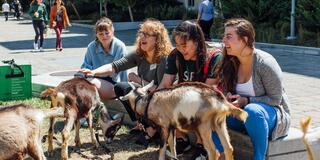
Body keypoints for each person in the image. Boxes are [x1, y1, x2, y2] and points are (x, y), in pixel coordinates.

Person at [80, 18, 173, 146]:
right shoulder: (139, 53)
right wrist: (93, 72)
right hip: (146, 95)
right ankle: (141, 124)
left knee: (132, 89)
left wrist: (137, 80)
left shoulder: (164, 58)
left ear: (157, 39)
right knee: (121, 87)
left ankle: (152, 129)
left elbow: (161, 90)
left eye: (146, 34)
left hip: (162, 99)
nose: (142, 37)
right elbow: (114, 66)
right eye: (141, 33)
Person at [211, 18, 291, 160]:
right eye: (224, 36)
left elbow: (275, 99)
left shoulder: (264, 63)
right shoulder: (230, 60)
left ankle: (259, 157)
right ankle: (223, 155)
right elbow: (224, 91)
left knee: (252, 111)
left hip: (270, 116)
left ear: (245, 39)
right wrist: (227, 97)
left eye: (229, 36)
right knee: (210, 111)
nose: (224, 40)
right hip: (241, 115)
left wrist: (246, 100)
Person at [157, 20, 222, 159]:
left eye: (184, 45)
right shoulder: (175, 55)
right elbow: (165, 83)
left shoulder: (214, 57)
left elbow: (207, 91)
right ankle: (181, 139)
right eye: (178, 45)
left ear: (197, 41)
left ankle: (203, 145)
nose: (181, 49)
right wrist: (152, 100)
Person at [80, 17, 128, 101]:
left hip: (114, 83)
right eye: (101, 34)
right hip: (93, 77)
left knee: (90, 84)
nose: (104, 36)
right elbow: (85, 66)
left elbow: (122, 72)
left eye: (107, 33)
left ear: (112, 31)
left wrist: (125, 92)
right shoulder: (92, 46)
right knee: (78, 83)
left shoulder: (120, 47)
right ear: (96, 34)